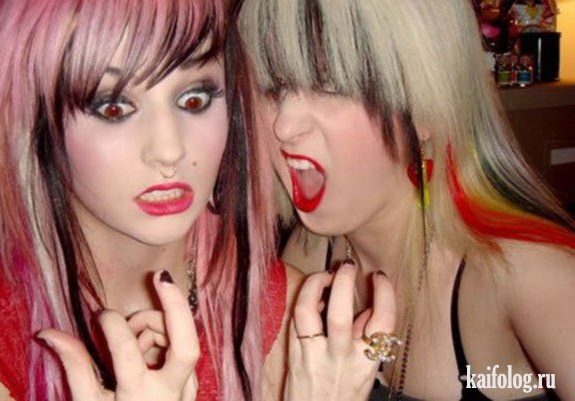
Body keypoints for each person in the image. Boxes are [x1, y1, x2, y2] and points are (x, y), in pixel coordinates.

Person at [0, 1, 395, 400]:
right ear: (36, 128)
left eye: (194, 99)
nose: (169, 149)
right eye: (113, 107)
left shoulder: (291, 315)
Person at [239, 0, 575, 399]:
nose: (284, 125)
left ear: (426, 108)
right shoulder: (309, 253)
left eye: (330, 85)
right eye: (273, 87)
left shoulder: (529, 277)